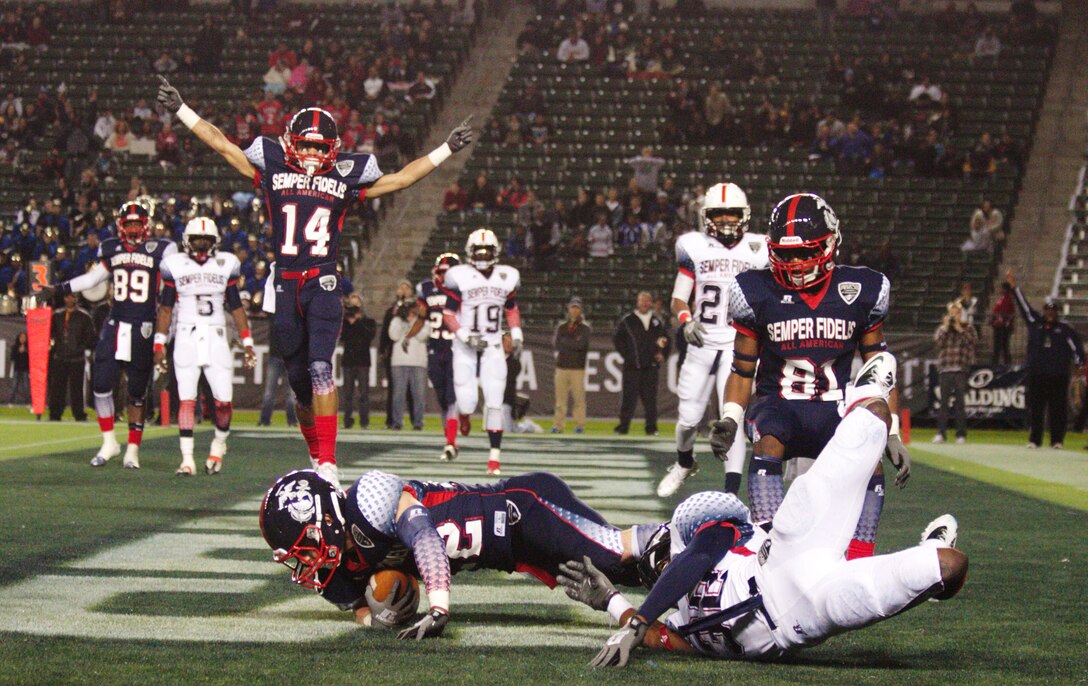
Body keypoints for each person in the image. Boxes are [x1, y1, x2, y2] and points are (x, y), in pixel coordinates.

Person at [157, 76, 474, 489]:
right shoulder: (271, 167)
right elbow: (221, 144)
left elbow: (400, 179)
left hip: (323, 281)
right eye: (304, 145)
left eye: (318, 147)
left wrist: (445, 148)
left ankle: (328, 463)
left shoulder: (345, 176)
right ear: (290, 143)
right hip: (285, 284)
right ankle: (316, 455)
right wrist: (183, 109)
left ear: (332, 150)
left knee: (322, 367)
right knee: (300, 385)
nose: (309, 154)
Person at [559, 353, 968, 666]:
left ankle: (865, 397)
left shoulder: (709, 539)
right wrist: (611, 601)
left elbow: (696, 560)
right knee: (950, 566)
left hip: (788, 549)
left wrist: (636, 619)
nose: (666, 563)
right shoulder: (678, 621)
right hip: (803, 620)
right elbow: (665, 641)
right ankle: (926, 568)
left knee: (875, 414)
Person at [710, 194, 910, 560]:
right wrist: (731, 417)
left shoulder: (859, 289)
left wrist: (891, 431)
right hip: (780, 404)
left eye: (806, 252)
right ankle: (767, 542)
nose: (796, 263)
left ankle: (859, 552)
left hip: (834, 406)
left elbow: (880, 368)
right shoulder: (756, 290)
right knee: (768, 436)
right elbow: (742, 367)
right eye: (786, 255)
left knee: (868, 449)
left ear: (831, 244)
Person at [259, 468, 661, 631]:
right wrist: (379, 618)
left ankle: (690, 536)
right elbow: (365, 610)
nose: (305, 561)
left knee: (613, 554)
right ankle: (695, 586)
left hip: (521, 508)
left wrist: (438, 607)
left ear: (323, 518)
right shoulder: (339, 569)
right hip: (517, 552)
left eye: (304, 547)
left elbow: (425, 539)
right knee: (628, 576)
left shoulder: (368, 497)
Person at [46, 201, 177, 469]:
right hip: (115, 323)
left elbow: (169, 295)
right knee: (101, 385)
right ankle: (109, 442)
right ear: (120, 225)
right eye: (127, 223)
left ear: (145, 226)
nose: (132, 228)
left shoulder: (163, 249)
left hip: (144, 325)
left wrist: (164, 335)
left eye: (136, 223)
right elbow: (92, 280)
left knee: (137, 392)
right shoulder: (110, 248)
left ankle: (133, 448)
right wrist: (56, 289)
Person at [657, 183, 768, 499]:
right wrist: (685, 320)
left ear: (743, 215)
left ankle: (731, 491)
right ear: (707, 217)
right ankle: (683, 462)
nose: (725, 220)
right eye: (718, 214)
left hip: (739, 343)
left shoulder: (760, 250)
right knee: (688, 421)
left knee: (731, 418)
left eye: (731, 213)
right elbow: (679, 297)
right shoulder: (695, 246)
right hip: (702, 342)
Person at [154, 217, 257, 476]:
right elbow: (166, 309)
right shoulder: (174, 265)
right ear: (187, 242)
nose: (201, 245)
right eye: (197, 240)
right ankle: (187, 459)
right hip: (186, 335)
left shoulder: (226, 263)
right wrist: (159, 342)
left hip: (216, 335)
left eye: (206, 240)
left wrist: (247, 342)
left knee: (223, 401)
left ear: (215, 243)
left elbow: (235, 307)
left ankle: (219, 444)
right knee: (186, 399)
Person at [441, 229, 523, 475]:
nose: (484, 255)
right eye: (479, 251)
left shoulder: (506, 276)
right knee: (466, 403)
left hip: (493, 344)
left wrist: (516, 333)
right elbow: (448, 313)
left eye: (487, 251)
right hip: (466, 344)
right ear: (470, 253)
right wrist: (465, 335)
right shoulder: (459, 276)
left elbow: (511, 308)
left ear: (495, 252)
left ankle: (494, 459)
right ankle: (465, 416)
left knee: (495, 401)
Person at [1007, 270, 1085, 449]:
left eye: (1053, 311)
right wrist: (1014, 288)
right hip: (1037, 373)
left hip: (1058, 375)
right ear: (1044, 311)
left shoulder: (1065, 328)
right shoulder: (1036, 323)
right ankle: (1035, 440)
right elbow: (1024, 307)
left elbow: (1076, 346)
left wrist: (1080, 362)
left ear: (1056, 312)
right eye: (1048, 310)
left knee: (1058, 409)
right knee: (1036, 408)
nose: (1050, 313)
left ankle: (1057, 440)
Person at [406, 252, 461, 460]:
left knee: (452, 397)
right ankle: (450, 436)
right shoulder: (427, 289)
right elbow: (421, 316)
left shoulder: (462, 291)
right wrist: (408, 336)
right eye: (441, 272)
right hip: (435, 348)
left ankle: (450, 442)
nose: (443, 277)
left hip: (455, 348)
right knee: (442, 398)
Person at [613, 291, 671, 436]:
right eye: (642, 301)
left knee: (650, 400)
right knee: (628, 398)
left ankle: (651, 427)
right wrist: (628, 356)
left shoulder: (657, 321)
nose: (644, 303)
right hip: (632, 367)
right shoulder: (627, 320)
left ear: (650, 303)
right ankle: (623, 426)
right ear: (637, 302)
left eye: (647, 301)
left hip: (650, 367)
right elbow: (618, 340)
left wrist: (662, 354)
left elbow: (666, 340)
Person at [932, 300, 977, 445]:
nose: (954, 315)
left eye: (956, 312)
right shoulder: (943, 329)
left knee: (960, 404)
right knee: (943, 403)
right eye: (952, 312)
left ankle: (961, 434)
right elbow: (938, 343)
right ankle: (941, 433)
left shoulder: (968, 328)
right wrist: (946, 327)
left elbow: (972, 342)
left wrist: (959, 328)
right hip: (945, 369)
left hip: (960, 369)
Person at [48, 293, 95, 421]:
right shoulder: (57, 315)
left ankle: (79, 414)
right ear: (64, 298)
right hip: (60, 357)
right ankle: (55, 414)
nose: (70, 299)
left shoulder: (84, 316)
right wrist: (54, 345)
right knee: (57, 388)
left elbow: (90, 337)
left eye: (72, 297)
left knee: (77, 389)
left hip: (77, 358)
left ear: (76, 298)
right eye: (67, 296)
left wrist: (79, 348)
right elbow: (50, 333)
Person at [388, 293, 430, 431]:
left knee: (418, 395)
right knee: (398, 394)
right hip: (399, 361)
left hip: (418, 362)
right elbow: (393, 336)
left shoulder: (423, 321)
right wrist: (401, 319)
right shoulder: (397, 320)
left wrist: (413, 322)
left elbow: (423, 336)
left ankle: (418, 422)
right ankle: (397, 421)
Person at [553, 296, 590, 434]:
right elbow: (557, 344)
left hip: (577, 368)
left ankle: (580, 425)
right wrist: (571, 342)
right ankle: (558, 425)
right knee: (560, 401)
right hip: (562, 367)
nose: (574, 310)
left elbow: (581, 345)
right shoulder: (562, 327)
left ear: (580, 310)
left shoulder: (585, 328)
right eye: (572, 307)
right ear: (568, 309)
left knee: (579, 399)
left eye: (577, 308)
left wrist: (566, 343)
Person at [340, 292, 376, 430]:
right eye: (352, 303)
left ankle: (364, 421)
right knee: (347, 394)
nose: (354, 306)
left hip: (362, 361)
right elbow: (343, 337)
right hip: (348, 361)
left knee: (364, 394)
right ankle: (347, 421)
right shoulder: (344, 322)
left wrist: (358, 321)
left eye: (357, 303)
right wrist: (350, 322)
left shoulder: (368, 321)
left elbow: (369, 335)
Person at [990, 282, 1014, 366]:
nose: (1001, 290)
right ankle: (995, 363)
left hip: (1003, 327)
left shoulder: (1008, 300)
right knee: (997, 346)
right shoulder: (1001, 298)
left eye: (1003, 288)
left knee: (1004, 346)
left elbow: (1008, 313)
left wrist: (1003, 321)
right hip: (998, 326)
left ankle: (1007, 363)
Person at [7, 331, 29, 404]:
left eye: (24, 337)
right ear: (19, 338)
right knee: (14, 386)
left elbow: (30, 358)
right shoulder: (15, 347)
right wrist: (18, 351)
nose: (23, 339)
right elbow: (12, 358)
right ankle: (11, 401)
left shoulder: (28, 347)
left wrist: (25, 351)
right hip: (17, 369)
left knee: (26, 387)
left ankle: (28, 402)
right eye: (21, 337)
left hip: (25, 369)